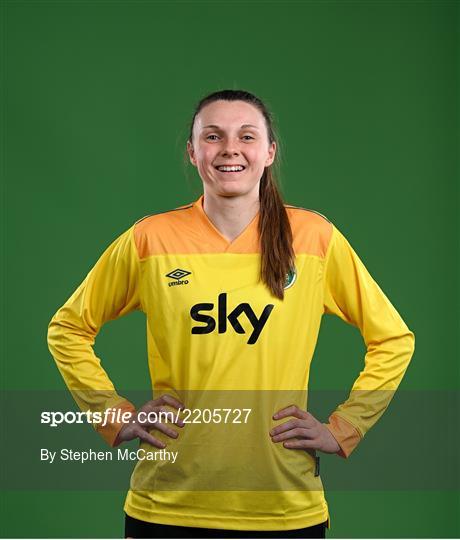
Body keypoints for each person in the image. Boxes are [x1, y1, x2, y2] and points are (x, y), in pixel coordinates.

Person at [47, 89, 415, 539]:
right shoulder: (151, 239)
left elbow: (393, 338)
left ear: (268, 151)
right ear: (192, 151)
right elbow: (67, 328)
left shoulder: (314, 238)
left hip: (284, 508)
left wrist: (345, 427)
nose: (229, 149)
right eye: (213, 136)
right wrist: (113, 415)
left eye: (246, 135)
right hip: (166, 508)